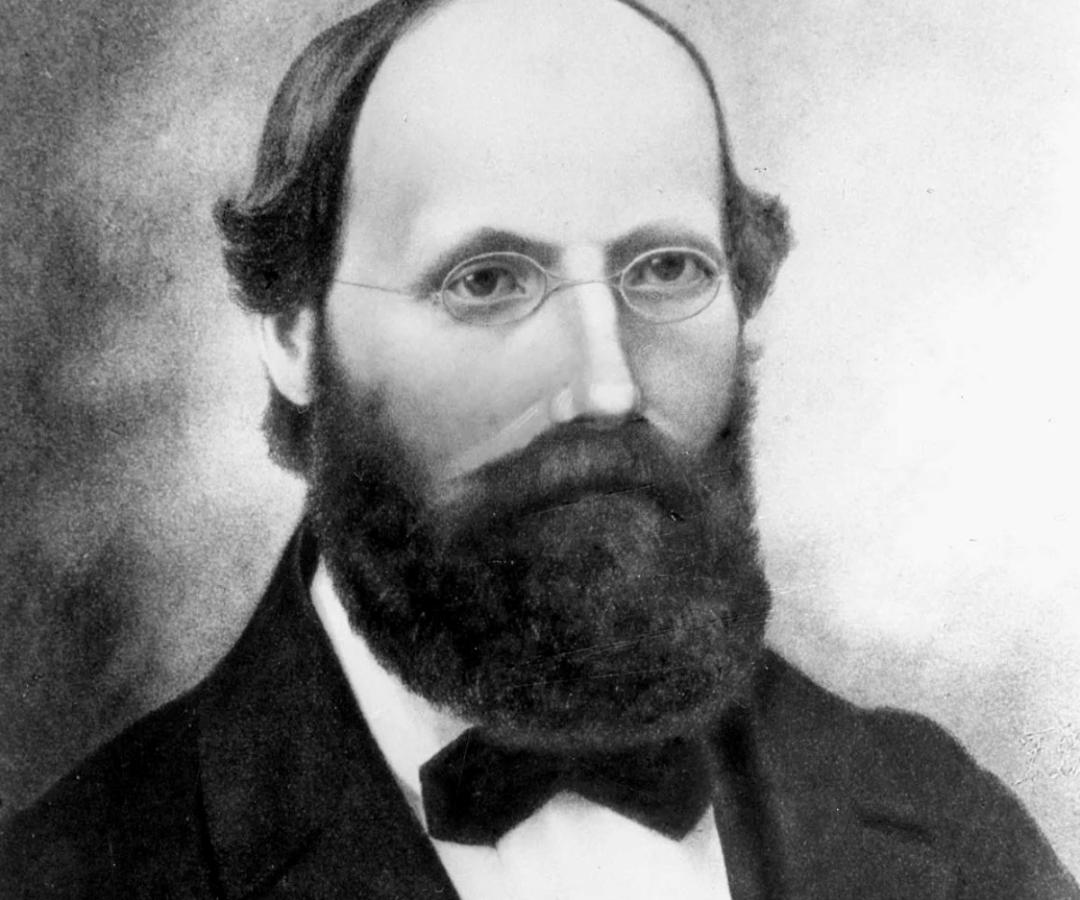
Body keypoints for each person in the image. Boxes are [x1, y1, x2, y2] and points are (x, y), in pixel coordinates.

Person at [1, 0, 1076, 896]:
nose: (606, 387)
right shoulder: (79, 873)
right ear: (293, 334)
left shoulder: (950, 827)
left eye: (667, 270)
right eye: (486, 282)